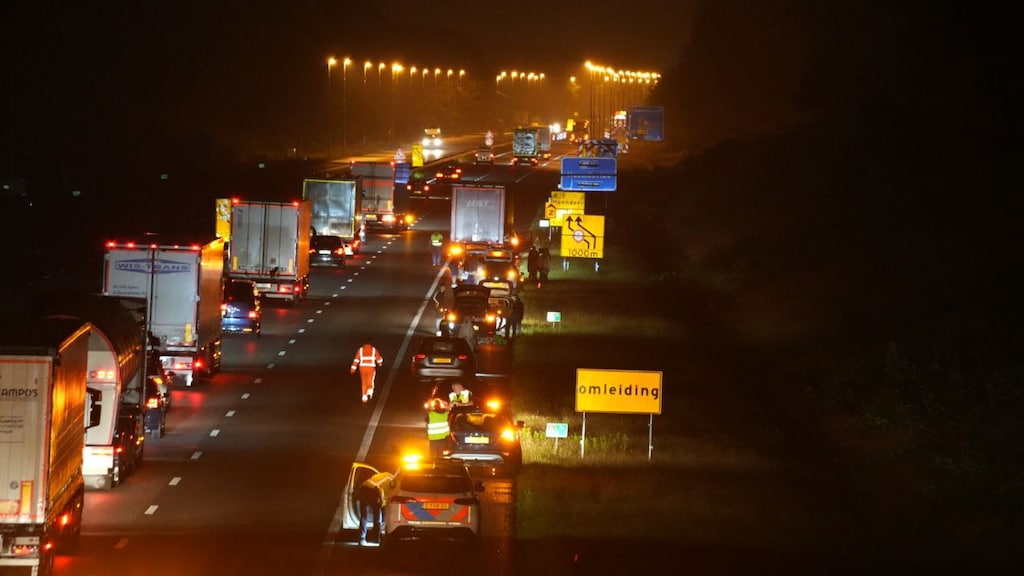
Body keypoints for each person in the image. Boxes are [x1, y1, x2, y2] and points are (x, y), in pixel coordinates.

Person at [357, 471, 391, 547]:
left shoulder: (383, 474)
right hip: (373, 490)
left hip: (363, 488)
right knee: (377, 516)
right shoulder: (390, 479)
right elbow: (380, 490)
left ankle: (361, 539)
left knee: (364, 515)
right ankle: (375, 539)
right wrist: (382, 502)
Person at [350, 338, 383, 403]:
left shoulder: (360, 350)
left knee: (364, 381)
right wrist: (380, 363)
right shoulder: (374, 350)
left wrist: (353, 369)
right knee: (370, 380)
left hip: (362, 367)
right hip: (371, 368)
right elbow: (379, 359)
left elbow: (356, 360)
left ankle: (364, 396)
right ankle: (369, 391)